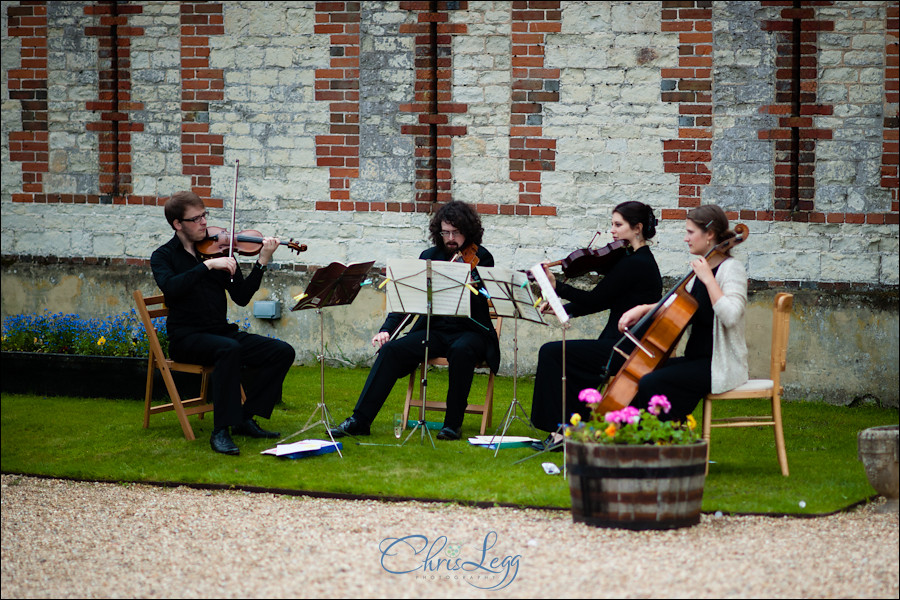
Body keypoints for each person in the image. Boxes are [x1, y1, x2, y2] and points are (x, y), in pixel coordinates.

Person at [329, 201, 500, 441]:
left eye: (456, 233)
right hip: (435, 330)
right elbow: (407, 300)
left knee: (461, 350)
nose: (451, 238)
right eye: (445, 232)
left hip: (471, 331)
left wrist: (472, 282)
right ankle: (360, 419)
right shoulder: (429, 257)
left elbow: (486, 297)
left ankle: (452, 425)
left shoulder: (481, 257)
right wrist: (387, 329)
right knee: (391, 350)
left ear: (468, 231)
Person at [150, 191, 296, 456]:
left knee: (282, 352)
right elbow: (171, 289)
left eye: (204, 215)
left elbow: (241, 297)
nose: (204, 223)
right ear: (177, 224)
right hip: (187, 338)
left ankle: (245, 417)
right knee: (228, 350)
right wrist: (207, 267)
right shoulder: (163, 256)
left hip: (221, 332)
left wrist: (262, 262)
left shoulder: (219, 249)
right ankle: (221, 431)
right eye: (195, 219)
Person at [529, 201, 663, 449]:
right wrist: (561, 308)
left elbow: (595, 298)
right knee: (558, 354)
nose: (612, 231)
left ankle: (563, 431)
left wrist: (558, 287)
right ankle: (569, 428)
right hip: (619, 344)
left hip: (626, 350)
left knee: (552, 353)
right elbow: (599, 303)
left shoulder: (637, 263)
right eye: (612, 224)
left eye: (618, 225)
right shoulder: (633, 259)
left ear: (637, 228)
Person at [618, 204, 748, 422]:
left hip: (718, 364)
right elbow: (676, 303)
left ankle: (663, 444)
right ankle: (630, 441)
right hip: (695, 359)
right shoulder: (700, 269)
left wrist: (708, 278)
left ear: (709, 235)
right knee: (642, 374)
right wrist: (643, 309)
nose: (686, 238)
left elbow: (731, 316)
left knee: (653, 383)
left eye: (690, 232)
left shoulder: (730, 269)